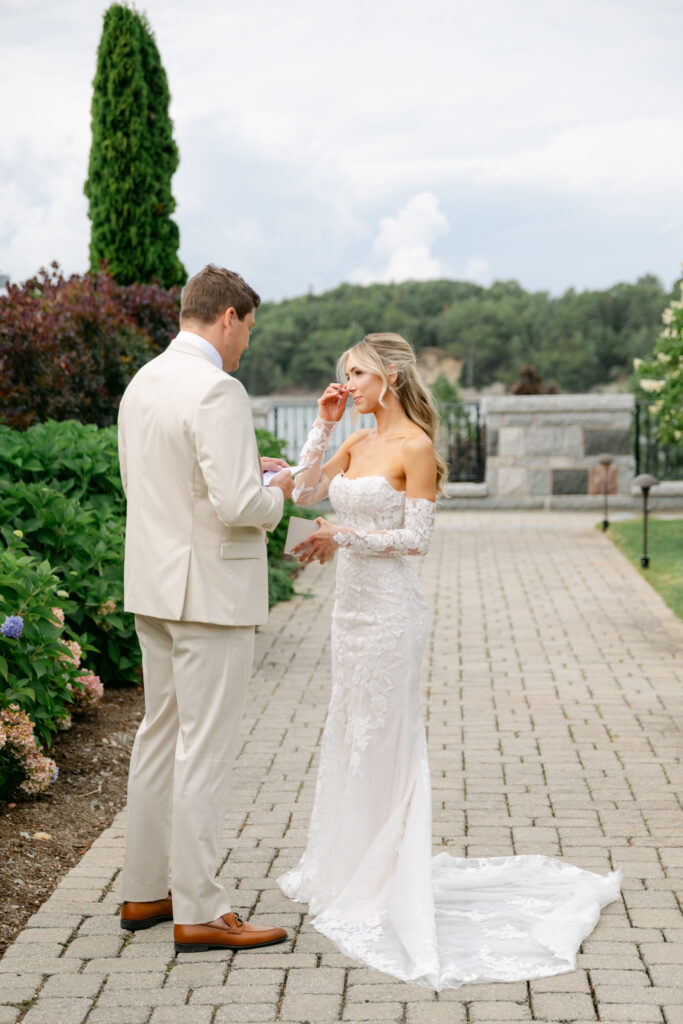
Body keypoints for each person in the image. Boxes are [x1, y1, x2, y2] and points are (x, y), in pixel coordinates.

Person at [278, 332, 620, 989]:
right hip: (348, 613)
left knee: (386, 738)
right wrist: (322, 427)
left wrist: (341, 534)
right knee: (352, 730)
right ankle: (350, 865)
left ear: (390, 376)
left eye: (357, 374)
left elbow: (416, 539)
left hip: (391, 614)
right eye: (343, 374)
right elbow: (302, 494)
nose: (347, 384)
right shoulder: (356, 438)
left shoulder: (415, 448)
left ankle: (388, 877)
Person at [118, 264, 294, 953]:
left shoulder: (144, 381)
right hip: (209, 596)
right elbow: (240, 505)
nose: (247, 342)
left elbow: (160, 483)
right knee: (204, 750)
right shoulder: (218, 388)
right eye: (248, 329)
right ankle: (200, 909)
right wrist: (279, 490)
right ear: (228, 317)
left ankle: (144, 891)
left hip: (155, 586)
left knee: (159, 736)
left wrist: (250, 472)